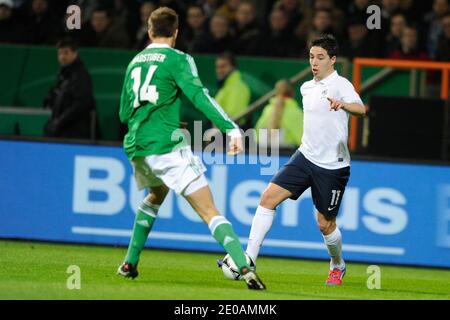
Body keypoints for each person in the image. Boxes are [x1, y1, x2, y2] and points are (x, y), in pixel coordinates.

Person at [117, 7, 265, 290]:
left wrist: (163, 117)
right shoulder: (178, 58)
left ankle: (129, 263)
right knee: (209, 209)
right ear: (175, 33)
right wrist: (231, 129)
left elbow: (125, 114)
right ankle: (243, 266)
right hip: (165, 146)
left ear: (149, 32)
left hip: (137, 148)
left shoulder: (134, 62)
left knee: (154, 196)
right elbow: (199, 95)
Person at [243, 34, 365, 286]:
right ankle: (249, 259)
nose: (315, 62)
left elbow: (361, 109)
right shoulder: (305, 88)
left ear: (333, 60)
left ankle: (337, 264)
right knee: (267, 198)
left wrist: (342, 104)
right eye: (312, 57)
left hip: (333, 165)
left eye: (321, 57)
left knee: (325, 224)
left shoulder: (340, 84)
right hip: (305, 156)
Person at [44, 38, 95, 139]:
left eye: (66, 53)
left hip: (74, 134)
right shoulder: (63, 76)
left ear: (75, 53)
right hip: (63, 131)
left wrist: (59, 122)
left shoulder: (80, 76)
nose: (62, 57)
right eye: (60, 54)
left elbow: (81, 104)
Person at [255, 79, 303, 148]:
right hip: (288, 156)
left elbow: (256, 135)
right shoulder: (295, 112)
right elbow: (303, 140)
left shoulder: (268, 109)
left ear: (276, 92)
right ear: (293, 93)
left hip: (264, 155)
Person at [214, 52, 251, 124]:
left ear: (233, 67)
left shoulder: (237, 88)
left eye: (223, 66)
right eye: (217, 67)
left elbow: (234, 118)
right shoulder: (226, 86)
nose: (219, 71)